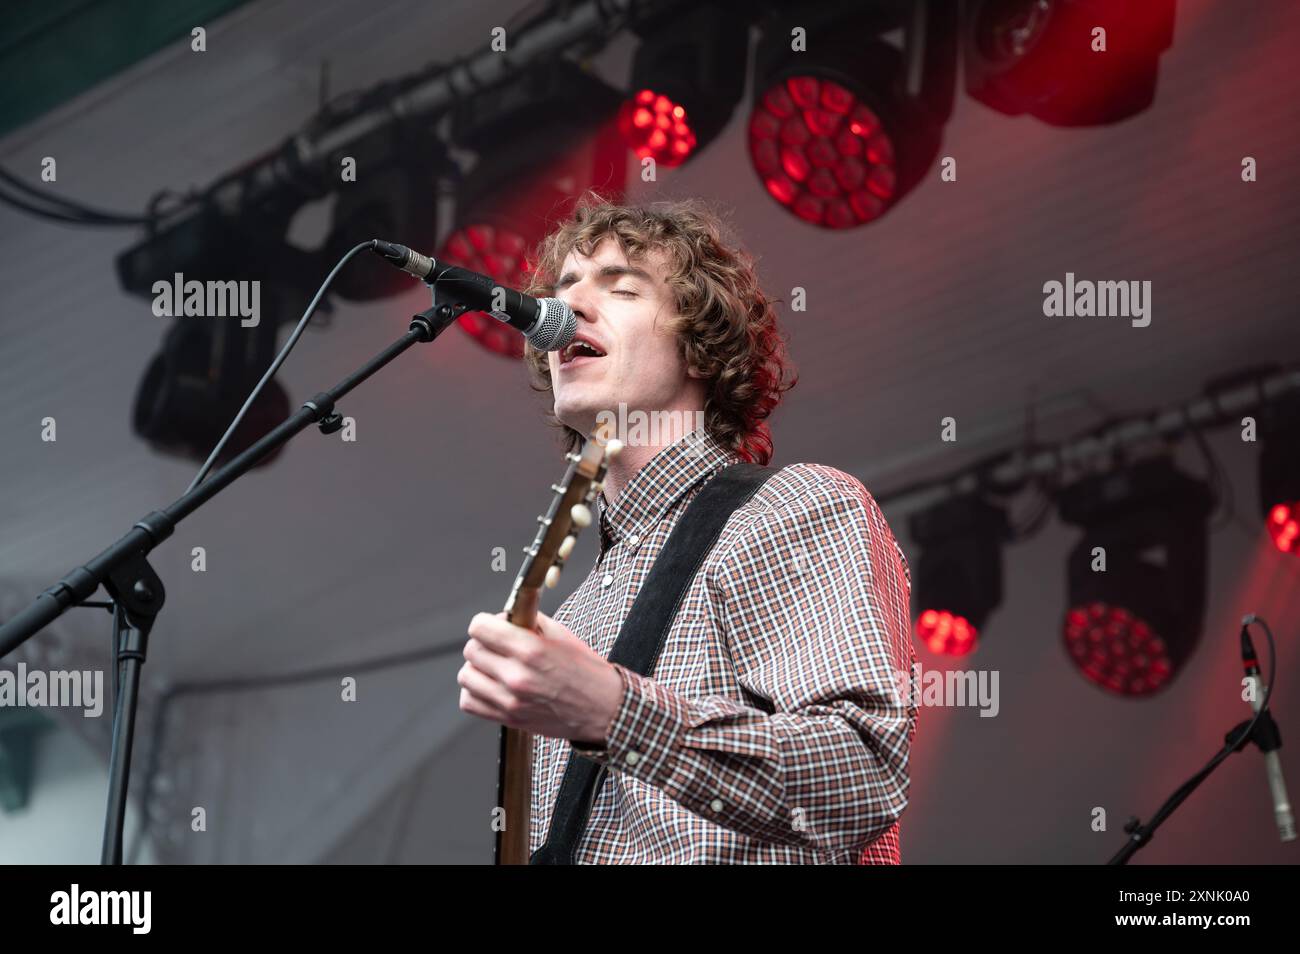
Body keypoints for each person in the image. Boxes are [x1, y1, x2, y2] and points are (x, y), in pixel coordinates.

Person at [459, 194, 917, 863]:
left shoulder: (793, 508)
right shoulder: (579, 613)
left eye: (622, 288)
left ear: (702, 346)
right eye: (563, 290)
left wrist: (614, 712)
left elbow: (861, 779)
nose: (567, 310)